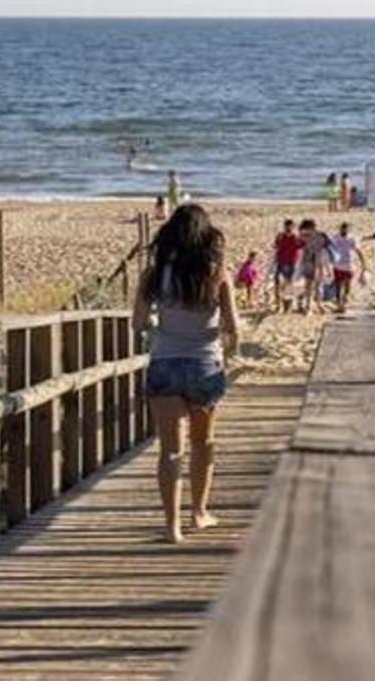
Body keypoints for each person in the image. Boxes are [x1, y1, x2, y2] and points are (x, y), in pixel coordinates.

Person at [131, 203, 239, 544]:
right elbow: (233, 327)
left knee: (170, 450)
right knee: (203, 443)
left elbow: (137, 322)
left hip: (165, 362)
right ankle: (199, 513)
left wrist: (158, 324)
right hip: (205, 364)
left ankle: (172, 526)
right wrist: (226, 349)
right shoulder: (217, 273)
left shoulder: (154, 275)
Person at [328, 222, 367, 313]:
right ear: (340, 229)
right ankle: (339, 305)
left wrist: (363, 263)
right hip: (338, 266)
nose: (344, 230)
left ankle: (344, 303)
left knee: (347, 286)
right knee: (338, 286)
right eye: (342, 228)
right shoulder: (335, 238)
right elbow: (330, 249)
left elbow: (358, 251)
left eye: (346, 229)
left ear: (348, 229)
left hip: (349, 266)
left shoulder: (352, 239)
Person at [298, 219, 331, 314]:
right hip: (311, 262)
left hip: (316, 262)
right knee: (311, 285)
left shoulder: (312, 236)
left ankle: (314, 305)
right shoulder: (317, 236)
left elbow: (326, 247)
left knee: (315, 285)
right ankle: (310, 306)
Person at [273, 219, 304, 312]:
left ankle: (288, 306)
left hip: (291, 263)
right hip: (281, 262)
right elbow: (276, 245)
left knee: (289, 284)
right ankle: (279, 305)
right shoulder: (281, 236)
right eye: (287, 226)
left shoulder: (295, 237)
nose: (288, 228)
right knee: (279, 283)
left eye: (290, 226)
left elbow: (302, 245)